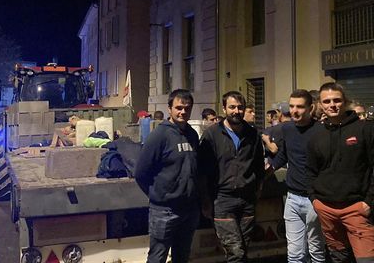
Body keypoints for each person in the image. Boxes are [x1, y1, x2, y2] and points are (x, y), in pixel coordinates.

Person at [306, 82, 374, 263]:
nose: (332, 105)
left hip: (357, 208)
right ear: (320, 105)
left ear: (345, 102)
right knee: (338, 258)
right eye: (327, 101)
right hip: (326, 208)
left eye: (337, 100)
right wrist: (314, 200)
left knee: (368, 260)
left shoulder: (365, 129)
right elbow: (310, 171)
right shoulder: (316, 136)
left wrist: (368, 201)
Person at [198, 91, 265, 263]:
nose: (236, 111)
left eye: (240, 107)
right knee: (236, 252)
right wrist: (206, 200)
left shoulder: (252, 134)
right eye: (232, 107)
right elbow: (202, 170)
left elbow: (258, 164)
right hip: (223, 200)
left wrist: (258, 187)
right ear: (224, 108)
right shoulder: (212, 134)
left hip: (247, 200)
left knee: (243, 248)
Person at [134, 89, 200, 263]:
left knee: (182, 256)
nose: (183, 112)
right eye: (178, 107)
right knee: (158, 257)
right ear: (169, 108)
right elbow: (140, 173)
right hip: (165, 211)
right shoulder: (159, 135)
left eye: (187, 108)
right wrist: (157, 194)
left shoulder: (192, 135)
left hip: (188, 209)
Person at [271, 90, 325, 263]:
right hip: (292, 198)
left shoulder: (321, 131)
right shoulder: (286, 128)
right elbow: (283, 155)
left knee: (316, 250)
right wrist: (269, 167)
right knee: (294, 254)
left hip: (314, 199)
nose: (294, 110)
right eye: (292, 106)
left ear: (311, 108)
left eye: (300, 107)